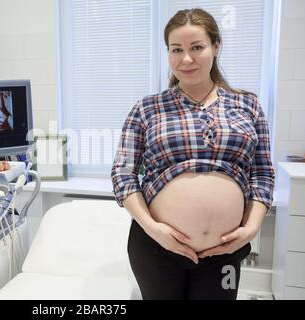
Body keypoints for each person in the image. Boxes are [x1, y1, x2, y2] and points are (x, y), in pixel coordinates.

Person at [111, 8, 275, 300]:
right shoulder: (146, 109)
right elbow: (123, 175)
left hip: (225, 252)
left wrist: (251, 229)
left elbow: (262, 173)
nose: (186, 59)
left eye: (196, 47)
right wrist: (153, 228)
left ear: (216, 46)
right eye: (177, 49)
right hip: (156, 248)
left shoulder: (248, 105)